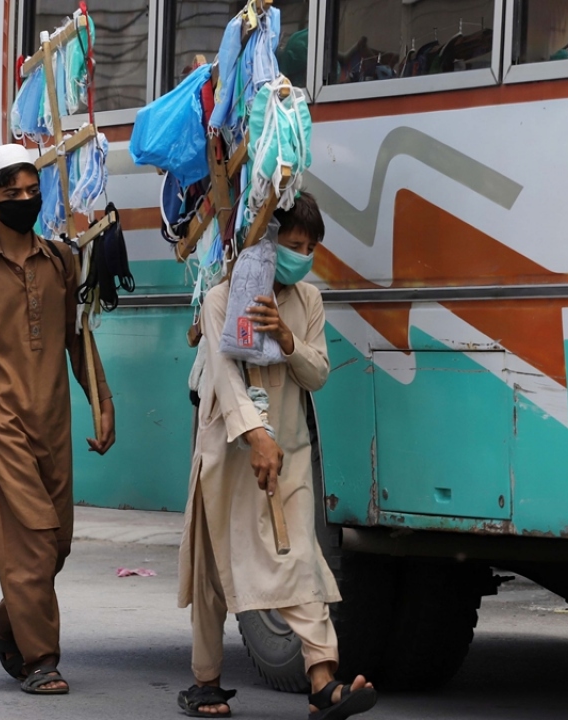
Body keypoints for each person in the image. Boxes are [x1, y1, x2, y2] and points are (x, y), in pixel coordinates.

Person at [176, 193, 377, 719]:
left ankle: (323, 681)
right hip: (228, 457)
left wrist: (285, 339)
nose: (301, 255)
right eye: (292, 244)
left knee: (301, 561)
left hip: (288, 451)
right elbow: (224, 377)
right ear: (267, 242)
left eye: (310, 247)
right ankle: (206, 682)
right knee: (215, 572)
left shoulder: (308, 301)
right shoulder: (222, 298)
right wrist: (253, 435)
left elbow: (318, 374)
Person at [0, 144, 116, 695]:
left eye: (33, 192)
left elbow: (76, 340)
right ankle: (41, 660)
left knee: (56, 544)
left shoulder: (62, 260)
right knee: (32, 542)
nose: (26, 201)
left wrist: (102, 403)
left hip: (53, 423)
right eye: (13, 195)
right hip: (2, 423)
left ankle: (4, 620)